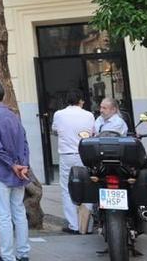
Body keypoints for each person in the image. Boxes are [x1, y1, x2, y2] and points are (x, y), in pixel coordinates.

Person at [0, 81, 31, 261]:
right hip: (19, 172)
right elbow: (24, 142)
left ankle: (7, 256)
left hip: (1, 172)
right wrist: (23, 164)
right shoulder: (13, 115)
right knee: (19, 213)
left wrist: (12, 164)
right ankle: (23, 253)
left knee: (3, 216)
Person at [51, 89, 94, 234]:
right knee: (87, 187)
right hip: (85, 154)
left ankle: (74, 225)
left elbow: (55, 130)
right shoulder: (89, 115)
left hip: (67, 155)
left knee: (66, 189)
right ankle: (86, 225)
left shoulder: (59, 114)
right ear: (81, 101)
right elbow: (93, 133)